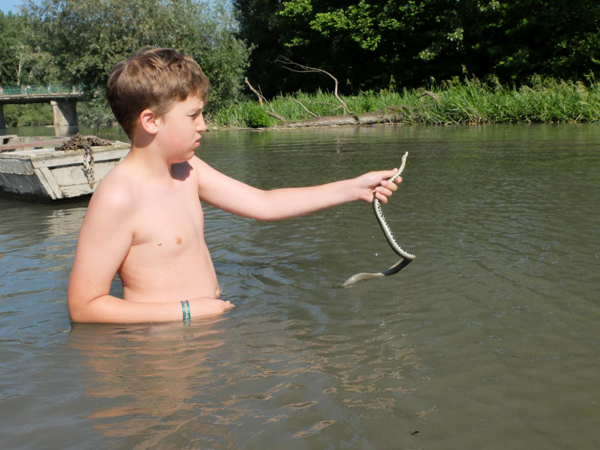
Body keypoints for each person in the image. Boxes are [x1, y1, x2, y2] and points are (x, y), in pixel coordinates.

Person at [67, 47, 402, 324]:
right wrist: (186, 311)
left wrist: (354, 188)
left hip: (208, 325)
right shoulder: (118, 197)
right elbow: (84, 306)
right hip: (163, 348)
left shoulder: (188, 169)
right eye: (193, 115)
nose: (204, 126)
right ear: (151, 121)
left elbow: (263, 204)